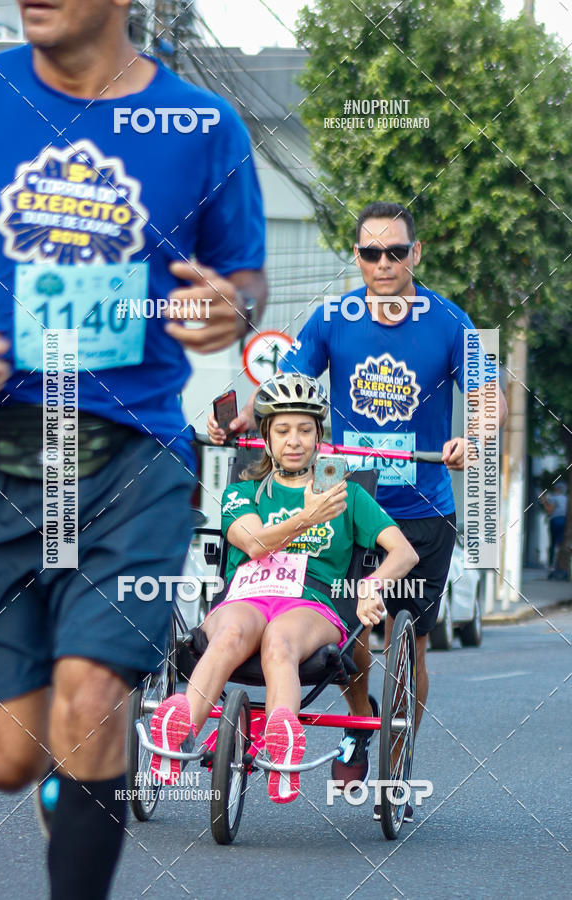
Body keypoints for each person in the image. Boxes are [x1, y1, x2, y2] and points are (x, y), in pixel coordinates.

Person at [0, 2, 266, 897]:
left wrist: (231, 307)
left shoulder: (202, 127)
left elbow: (244, 275)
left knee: (93, 696)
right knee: (8, 759)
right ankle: (67, 763)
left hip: (132, 452)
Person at [208, 201, 508, 807]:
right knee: (352, 632)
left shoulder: (449, 321)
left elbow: (488, 397)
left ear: (415, 254)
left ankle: (397, 761)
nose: (384, 264)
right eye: (371, 253)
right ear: (357, 257)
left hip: (423, 509)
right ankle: (357, 731)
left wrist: (471, 437)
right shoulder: (332, 317)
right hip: (347, 500)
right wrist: (243, 417)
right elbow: (283, 386)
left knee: (410, 641)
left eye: (396, 251)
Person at [151, 373, 418, 803]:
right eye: (282, 430)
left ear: (318, 436)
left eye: (304, 430)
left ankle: (282, 738)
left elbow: (403, 553)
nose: (294, 440)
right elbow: (254, 543)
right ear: (266, 437)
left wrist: (372, 585)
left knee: (280, 642)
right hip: (247, 592)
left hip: (310, 601)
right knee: (232, 633)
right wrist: (307, 517)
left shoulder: (346, 493)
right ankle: (179, 726)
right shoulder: (243, 491)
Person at [540, 483, 568, 579]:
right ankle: (561, 568)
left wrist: (544, 502)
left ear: (557, 489)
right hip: (565, 522)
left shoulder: (554, 498)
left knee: (553, 545)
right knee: (561, 544)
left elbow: (549, 510)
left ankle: (551, 567)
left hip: (555, 521)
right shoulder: (566, 498)